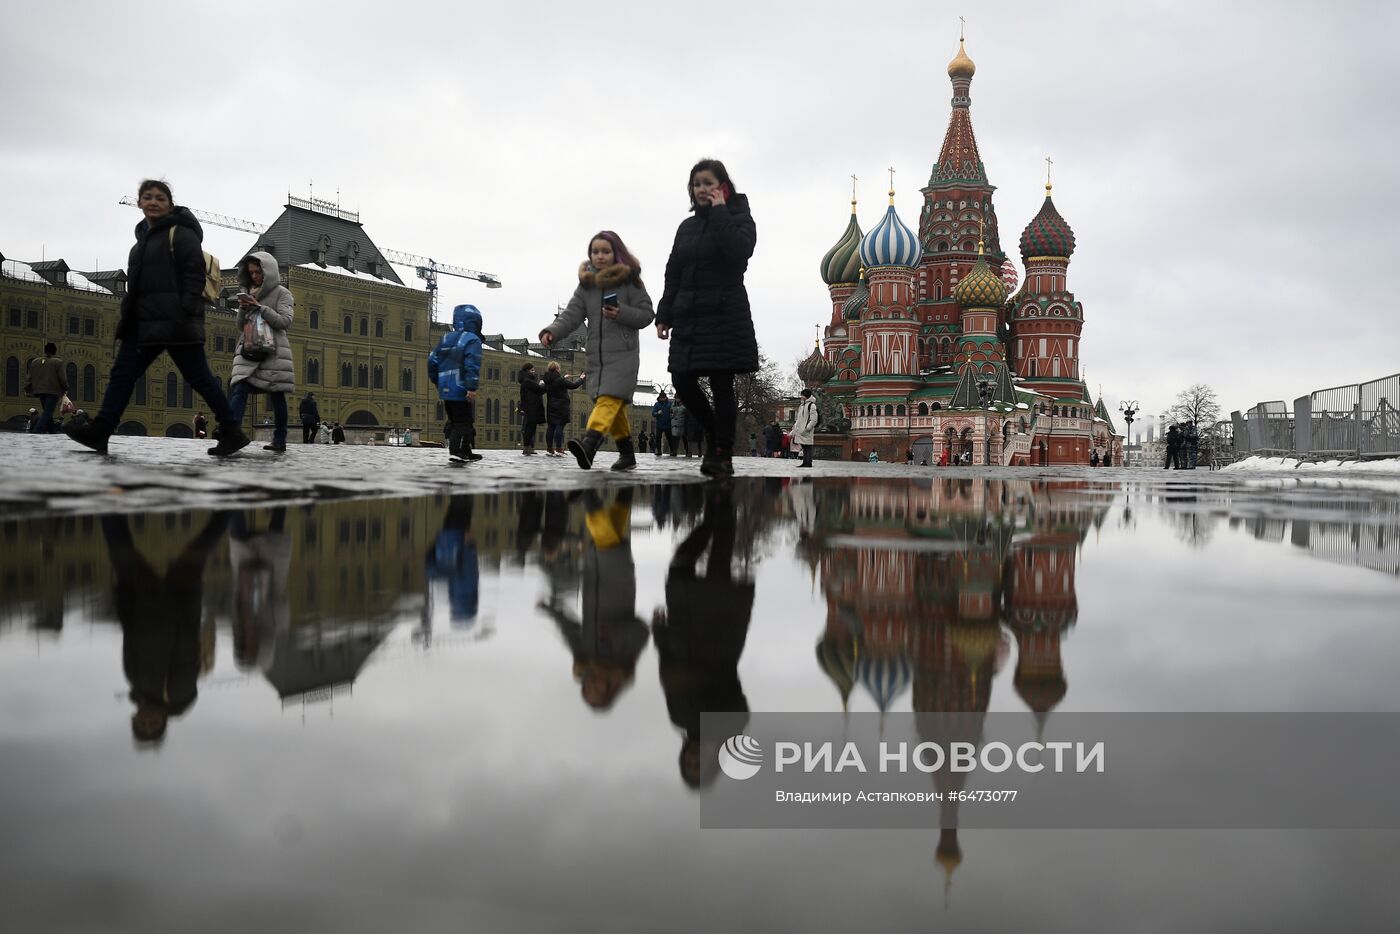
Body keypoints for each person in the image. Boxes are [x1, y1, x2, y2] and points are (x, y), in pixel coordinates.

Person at [65, 179, 248, 457]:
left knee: (201, 379)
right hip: (144, 324)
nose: (153, 202)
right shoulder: (140, 243)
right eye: (147, 197)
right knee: (122, 376)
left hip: (177, 323)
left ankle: (232, 431)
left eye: (159, 198)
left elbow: (194, 275)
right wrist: (128, 317)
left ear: (169, 204)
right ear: (139, 203)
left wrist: (184, 312)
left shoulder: (181, 234)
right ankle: (101, 430)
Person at [655, 158, 759, 479]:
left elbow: (740, 250)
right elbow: (673, 272)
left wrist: (719, 212)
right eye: (696, 184)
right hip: (689, 315)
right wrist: (664, 313)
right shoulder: (686, 228)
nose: (701, 189)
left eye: (708, 183)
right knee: (681, 380)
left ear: (723, 187)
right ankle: (716, 434)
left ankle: (721, 453)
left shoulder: (739, 217)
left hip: (725, 313)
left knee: (721, 383)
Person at [101, 509, 230, 747]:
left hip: (144, 600)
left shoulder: (133, 681)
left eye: (142, 724)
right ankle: (233, 504)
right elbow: (187, 645)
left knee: (120, 548)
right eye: (153, 725)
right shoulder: (177, 694)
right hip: (177, 600)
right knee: (200, 548)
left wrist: (124, 597)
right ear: (164, 722)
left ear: (135, 717)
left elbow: (129, 635)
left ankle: (107, 498)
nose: (147, 720)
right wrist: (172, 603)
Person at [654, 485, 754, 787]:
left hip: (684, 628)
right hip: (718, 635)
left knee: (679, 564)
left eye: (690, 761)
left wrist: (660, 633)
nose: (697, 757)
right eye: (702, 764)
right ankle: (723, 505)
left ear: (683, 754)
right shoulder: (732, 728)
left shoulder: (679, 718)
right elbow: (737, 700)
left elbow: (667, 673)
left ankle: (713, 515)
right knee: (720, 560)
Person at [539, 230, 655, 471]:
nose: (600, 256)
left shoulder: (631, 281)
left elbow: (646, 315)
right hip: (596, 358)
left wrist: (621, 313)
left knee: (608, 400)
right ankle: (627, 455)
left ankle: (589, 444)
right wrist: (553, 331)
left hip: (623, 356)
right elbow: (571, 315)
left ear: (616, 253)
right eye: (595, 251)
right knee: (614, 406)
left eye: (605, 251)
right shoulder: (586, 286)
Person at [540, 489, 648, 711]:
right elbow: (642, 630)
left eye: (587, 690)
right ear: (609, 689)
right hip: (618, 583)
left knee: (612, 532)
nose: (591, 686)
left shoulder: (585, 659)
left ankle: (625, 492)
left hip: (594, 576)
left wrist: (552, 610)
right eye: (596, 692)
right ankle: (589, 497)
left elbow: (570, 631)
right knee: (606, 539)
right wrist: (615, 632)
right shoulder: (625, 660)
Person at [227, 251, 295, 453]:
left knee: (276, 396)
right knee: (240, 387)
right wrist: (243, 308)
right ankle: (233, 432)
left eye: (258, 272)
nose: (255, 276)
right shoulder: (250, 291)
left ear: (269, 271)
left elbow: (285, 321)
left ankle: (280, 439)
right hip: (249, 349)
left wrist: (260, 308)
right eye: (251, 273)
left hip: (273, 352)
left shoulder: (283, 293)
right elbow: (240, 326)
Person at [428, 304, 484, 462]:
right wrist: (471, 388)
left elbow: (432, 361)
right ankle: (457, 452)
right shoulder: (472, 340)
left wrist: (436, 381)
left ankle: (466, 451)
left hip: (445, 388)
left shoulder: (446, 337)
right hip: (461, 388)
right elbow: (472, 365)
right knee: (464, 423)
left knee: (456, 420)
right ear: (476, 322)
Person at [540, 361, 583, 457]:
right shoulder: (559, 380)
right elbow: (574, 385)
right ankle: (559, 448)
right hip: (561, 407)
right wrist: (581, 378)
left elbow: (556, 383)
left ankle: (550, 448)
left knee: (551, 427)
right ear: (556, 369)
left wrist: (563, 378)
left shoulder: (547, 380)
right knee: (559, 426)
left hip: (551, 406)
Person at [24, 342, 68, 433]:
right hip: (53, 391)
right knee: (48, 411)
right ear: (54, 351)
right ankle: (37, 430)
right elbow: (62, 378)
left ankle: (52, 431)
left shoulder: (35, 361)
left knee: (47, 411)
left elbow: (29, 376)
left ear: (45, 350)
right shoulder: (58, 362)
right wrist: (65, 387)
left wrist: (27, 388)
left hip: (39, 391)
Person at [517, 362, 546, 455]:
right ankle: (526, 447)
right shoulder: (528, 381)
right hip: (531, 407)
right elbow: (540, 390)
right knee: (529, 428)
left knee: (530, 428)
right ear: (527, 371)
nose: (534, 372)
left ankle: (528, 447)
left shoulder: (526, 380)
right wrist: (542, 384)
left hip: (530, 407)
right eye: (532, 370)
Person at [791, 388, 819, 468]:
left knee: (808, 447)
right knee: (804, 447)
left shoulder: (812, 405)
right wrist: (795, 426)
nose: (801, 397)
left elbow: (814, 419)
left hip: (807, 430)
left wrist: (808, 428)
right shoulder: (802, 405)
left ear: (806, 396)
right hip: (801, 430)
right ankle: (805, 462)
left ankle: (808, 462)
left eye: (802, 395)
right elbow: (799, 418)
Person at [651, 390, 674, 457]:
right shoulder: (657, 404)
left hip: (668, 424)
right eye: (661, 398)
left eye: (663, 398)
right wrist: (657, 413)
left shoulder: (669, 404)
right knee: (658, 438)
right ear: (659, 398)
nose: (662, 399)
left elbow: (673, 411)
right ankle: (659, 450)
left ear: (665, 397)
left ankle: (672, 451)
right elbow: (653, 413)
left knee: (669, 438)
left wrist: (672, 414)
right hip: (659, 425)